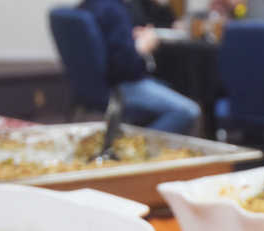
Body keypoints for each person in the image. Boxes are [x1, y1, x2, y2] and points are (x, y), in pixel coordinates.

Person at [81, 0, 201, 134]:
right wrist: (142, 46)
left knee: (165, 88)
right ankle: (137, 147)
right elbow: (126, 67)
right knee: (189, 111)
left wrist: (130, 40)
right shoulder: (115, 10)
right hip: (120, 87)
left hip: (93, 88)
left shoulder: (89, 5)